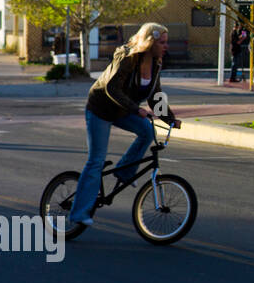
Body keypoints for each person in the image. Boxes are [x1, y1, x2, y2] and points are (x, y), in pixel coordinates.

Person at [66, 22, 182, 228]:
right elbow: (112, 87)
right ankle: (78, 213)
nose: (166, 46)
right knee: (96, 161)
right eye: (162, 42)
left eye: (166, 42)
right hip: (100, 109)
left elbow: (155, 96)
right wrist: (136, 109)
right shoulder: (127, 58)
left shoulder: (156, 63)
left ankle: (124, 172)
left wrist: (170, 119)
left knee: (147, 131)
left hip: (122, 110)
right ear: (150, 42)